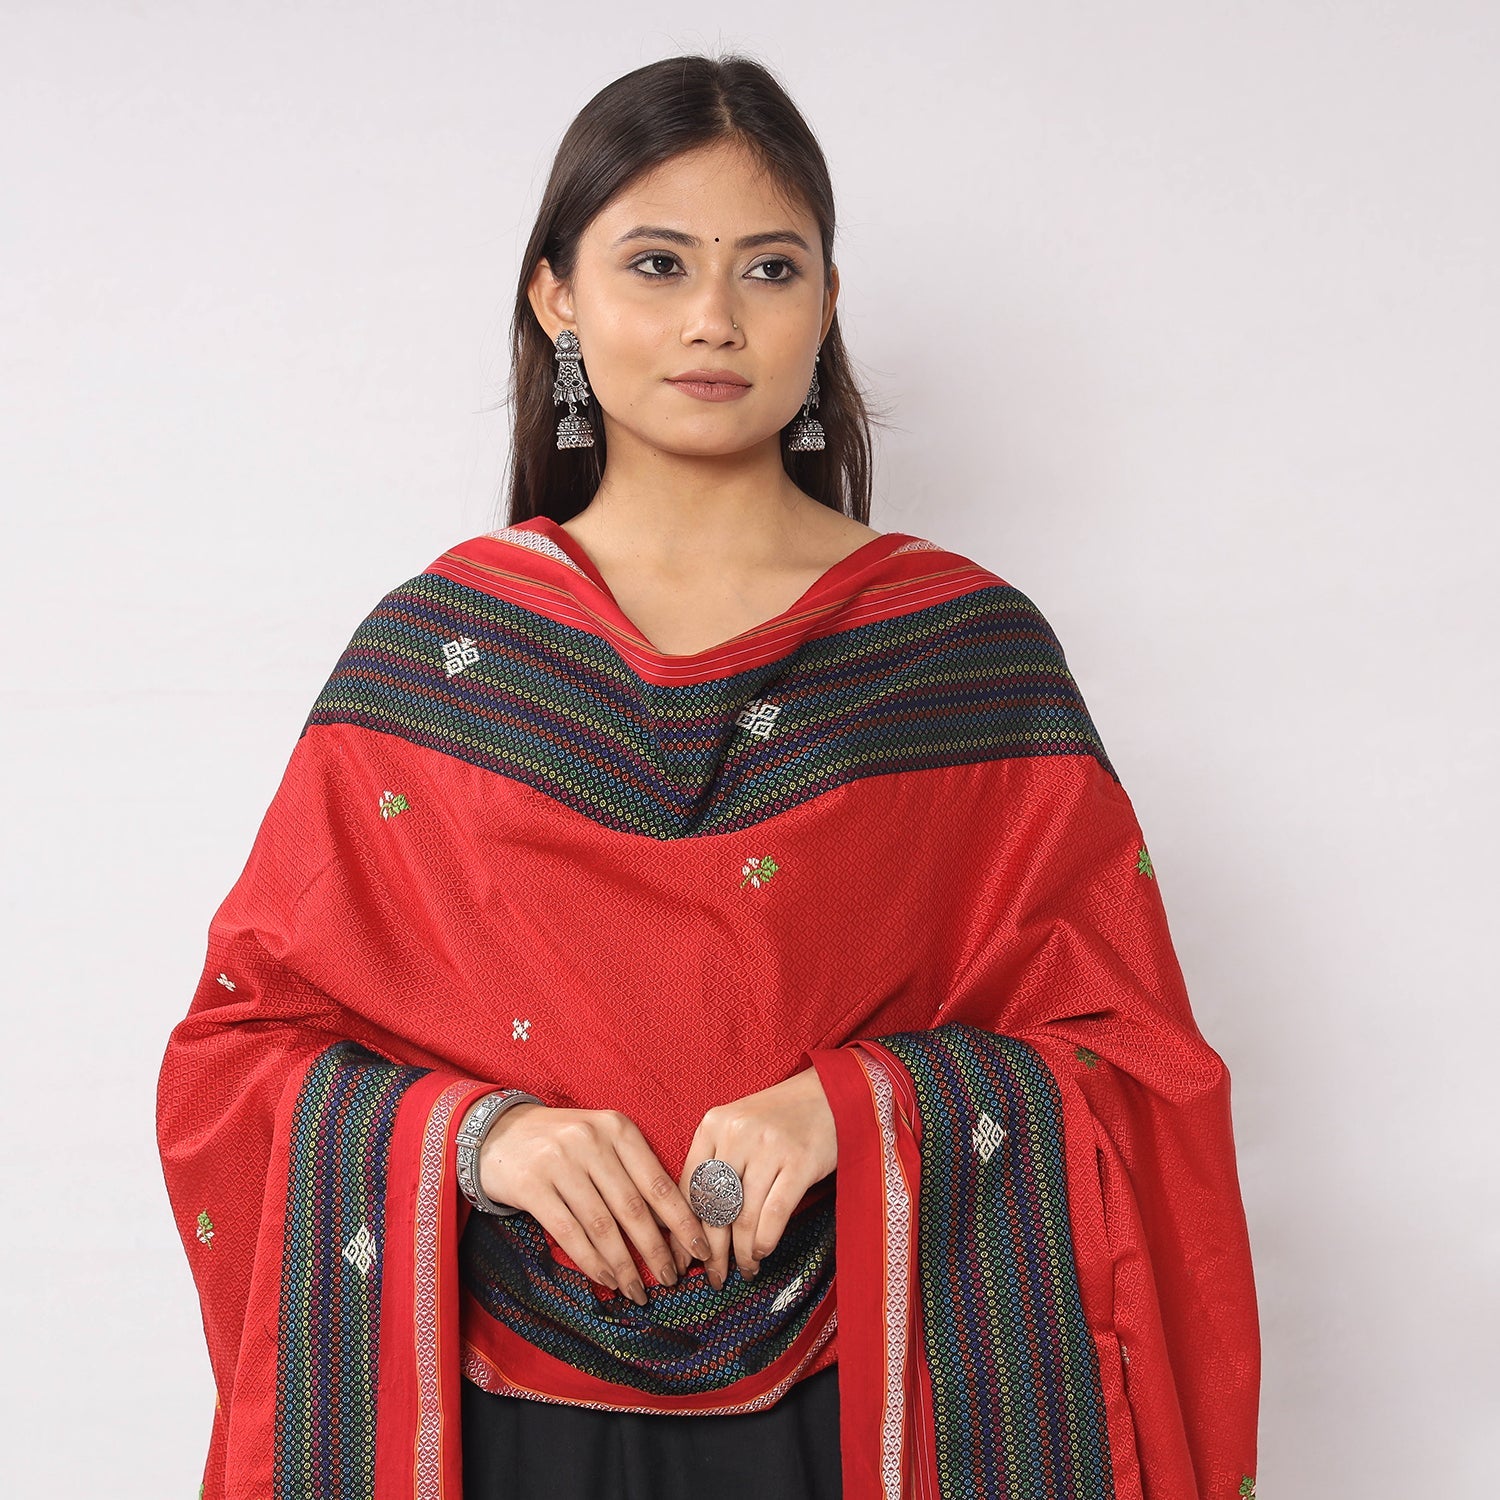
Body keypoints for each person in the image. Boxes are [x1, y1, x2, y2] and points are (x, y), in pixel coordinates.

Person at [155, 52, 1261, 1500]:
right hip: (497, 1425)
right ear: (555, 296)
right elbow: (240, 1055)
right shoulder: (443, 657)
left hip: (881, 1413)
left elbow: (1132, 1062)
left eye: (770, 269)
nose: (714, 319)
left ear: (829, 303)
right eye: (658, 263)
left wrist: (858, 1108)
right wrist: (483, 1144)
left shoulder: (959, 656)